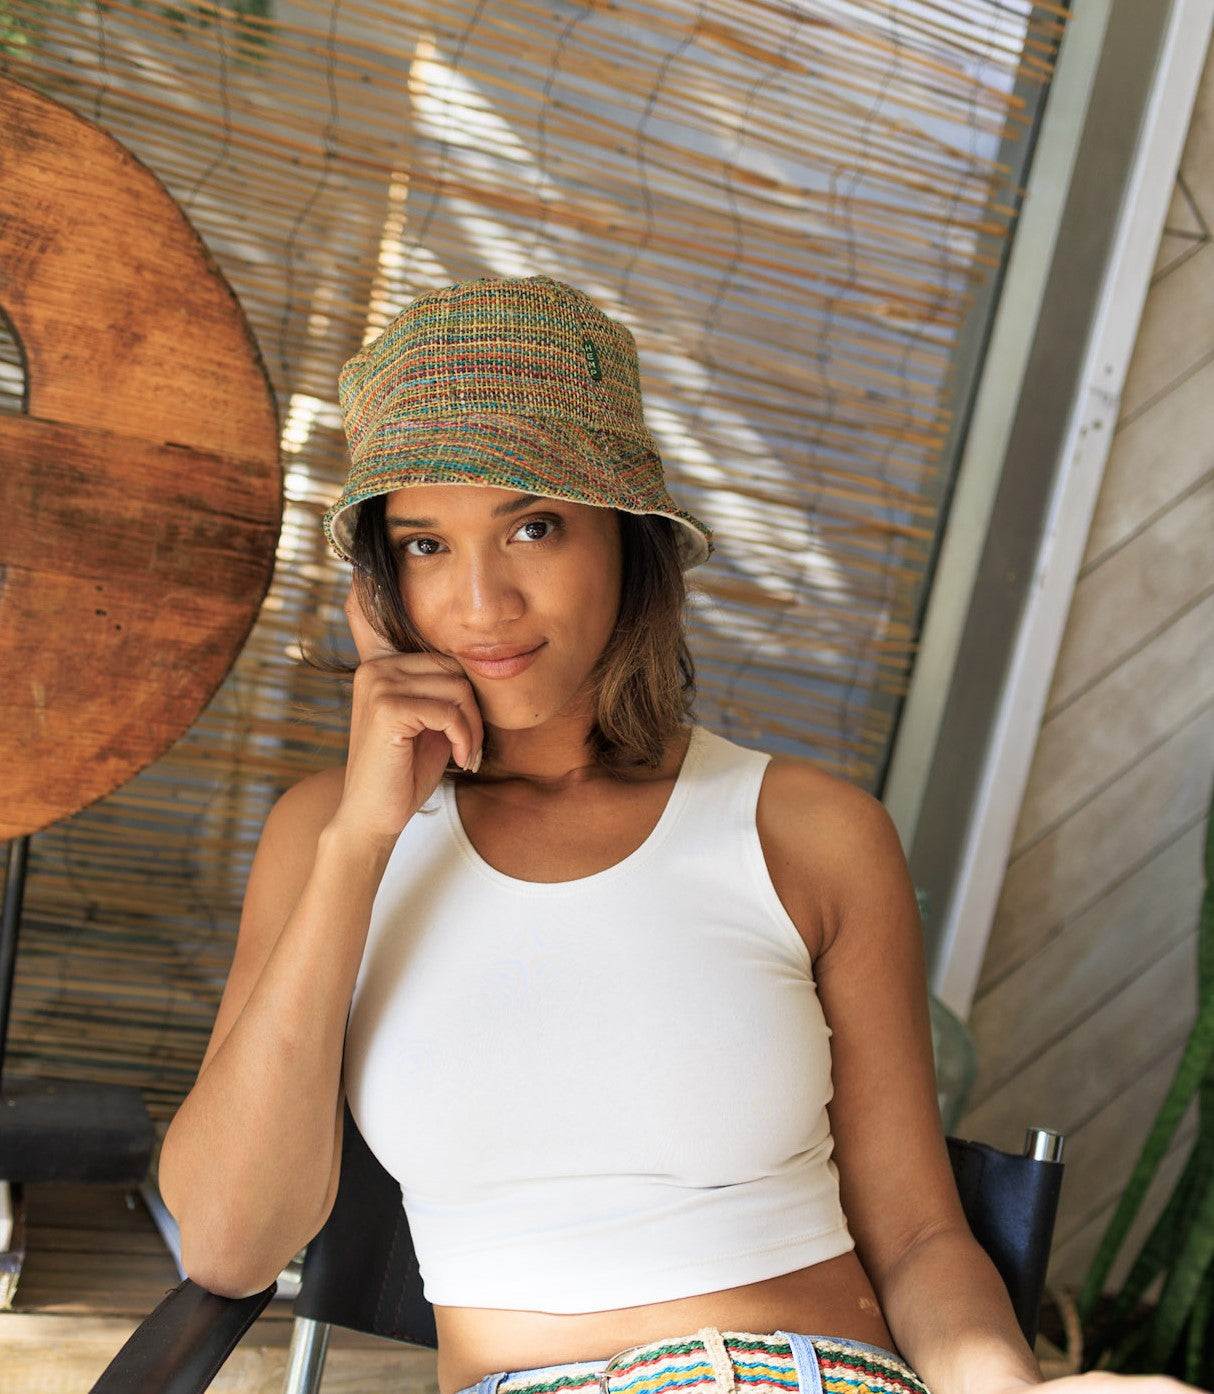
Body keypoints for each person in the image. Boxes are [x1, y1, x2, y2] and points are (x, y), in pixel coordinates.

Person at [157, 275, 1194, 1394]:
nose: (482, 603)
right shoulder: (327, 840)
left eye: (534, 526)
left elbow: (915, 1240)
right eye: (423, 545)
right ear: (377, 584)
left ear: (628, 540)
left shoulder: (809, 833)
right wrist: (364, 841)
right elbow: (228, 1244)